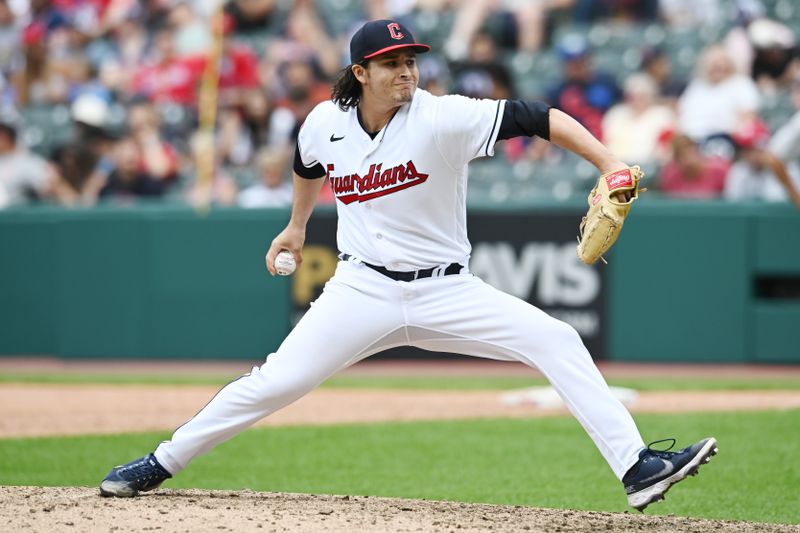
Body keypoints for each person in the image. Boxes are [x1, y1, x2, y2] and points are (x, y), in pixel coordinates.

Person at [99, 19, 718, 512]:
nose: (407, 72)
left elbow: (538, 117)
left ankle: (637, 469)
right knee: (275, 383)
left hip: (447, 291)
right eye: (393, 63)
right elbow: (307, 163)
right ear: (360, 72)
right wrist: (295, 225)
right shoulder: (325, 122)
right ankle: (162, 461)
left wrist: (609, 162)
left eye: (411, 61)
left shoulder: (443, 116)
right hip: (360, 288)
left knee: (556, 338)